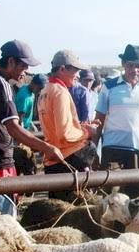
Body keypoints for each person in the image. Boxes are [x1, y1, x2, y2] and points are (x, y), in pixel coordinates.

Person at [0, 40, 63, 219]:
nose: (25, 72)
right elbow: (13, 128)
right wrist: (47, 148)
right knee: (3, 228)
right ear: (10, 62)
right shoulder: (2, 84)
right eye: (23, 66)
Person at [94, 44, 139, 198]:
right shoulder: (109, 87)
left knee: (135, 197)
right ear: (123, 65)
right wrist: (94, 149)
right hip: (112, 148)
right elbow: (98, 120)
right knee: (110, 197)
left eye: (138, 66)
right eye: (130, 65)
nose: (134, 70)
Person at [37, 50, 99, 201]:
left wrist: (81, 125)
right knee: (75, 214)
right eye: (76, 70)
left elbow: (56, 127)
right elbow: (65, 133)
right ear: (62, 69)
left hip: (52, 159)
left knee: (56, 209)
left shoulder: (45, 91)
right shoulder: (60, 92)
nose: (78, 75)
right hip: (67, 159)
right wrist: (87, 132)